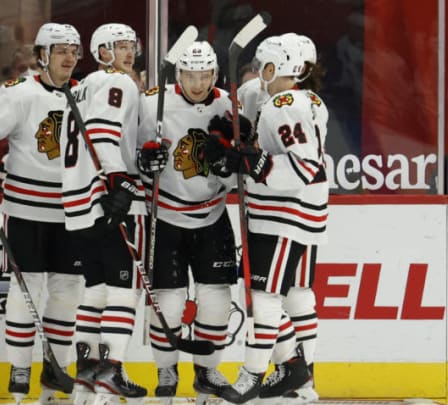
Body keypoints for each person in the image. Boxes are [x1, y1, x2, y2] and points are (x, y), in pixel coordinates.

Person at [0, 23, 84, 404]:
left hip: (72, 211)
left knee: (67, 294)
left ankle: (54, 379)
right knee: (25, 288)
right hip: (26, 208)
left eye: (73, 50)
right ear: (42, 55)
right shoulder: (19, 93)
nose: (68, 57)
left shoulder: (87, 94)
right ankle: (19, 370)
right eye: (60, 50)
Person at [208, 34, 328, 405]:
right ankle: (300, 376)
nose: (260, 72)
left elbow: (302, 166)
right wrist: (242, 146)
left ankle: (252, 377)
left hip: (281, 215)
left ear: (277, 67)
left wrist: (253, 162)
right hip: (302, 211)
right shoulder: (308, 100)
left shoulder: (283, 104)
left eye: (264, 65)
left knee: (264, 298)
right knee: (295, 296)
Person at [136, 41, 238, 404]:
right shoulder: (152, 102)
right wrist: (144, 162)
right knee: (169, 301)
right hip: (164, 216)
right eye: (190, 76)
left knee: (216, 298)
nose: (198, 83)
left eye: (205, 75)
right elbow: (128, 155)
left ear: (215, 74)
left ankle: (207, 371)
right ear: (178, 74)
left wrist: (228, 167)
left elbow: (239, 173)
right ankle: (166, 370)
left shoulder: (229, 105)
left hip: (212, 214)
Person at [59, 23, 147, 405]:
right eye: (119, 46)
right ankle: (111, 377)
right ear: (102, 51)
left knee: (94, 291)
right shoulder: (118, 82)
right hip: (108, 200)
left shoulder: (79, 87)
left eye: (131, 46)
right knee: (124, 292)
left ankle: (87, 379)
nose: (128, 53)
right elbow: (101, 130)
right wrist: (120, 182)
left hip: (77, 204)